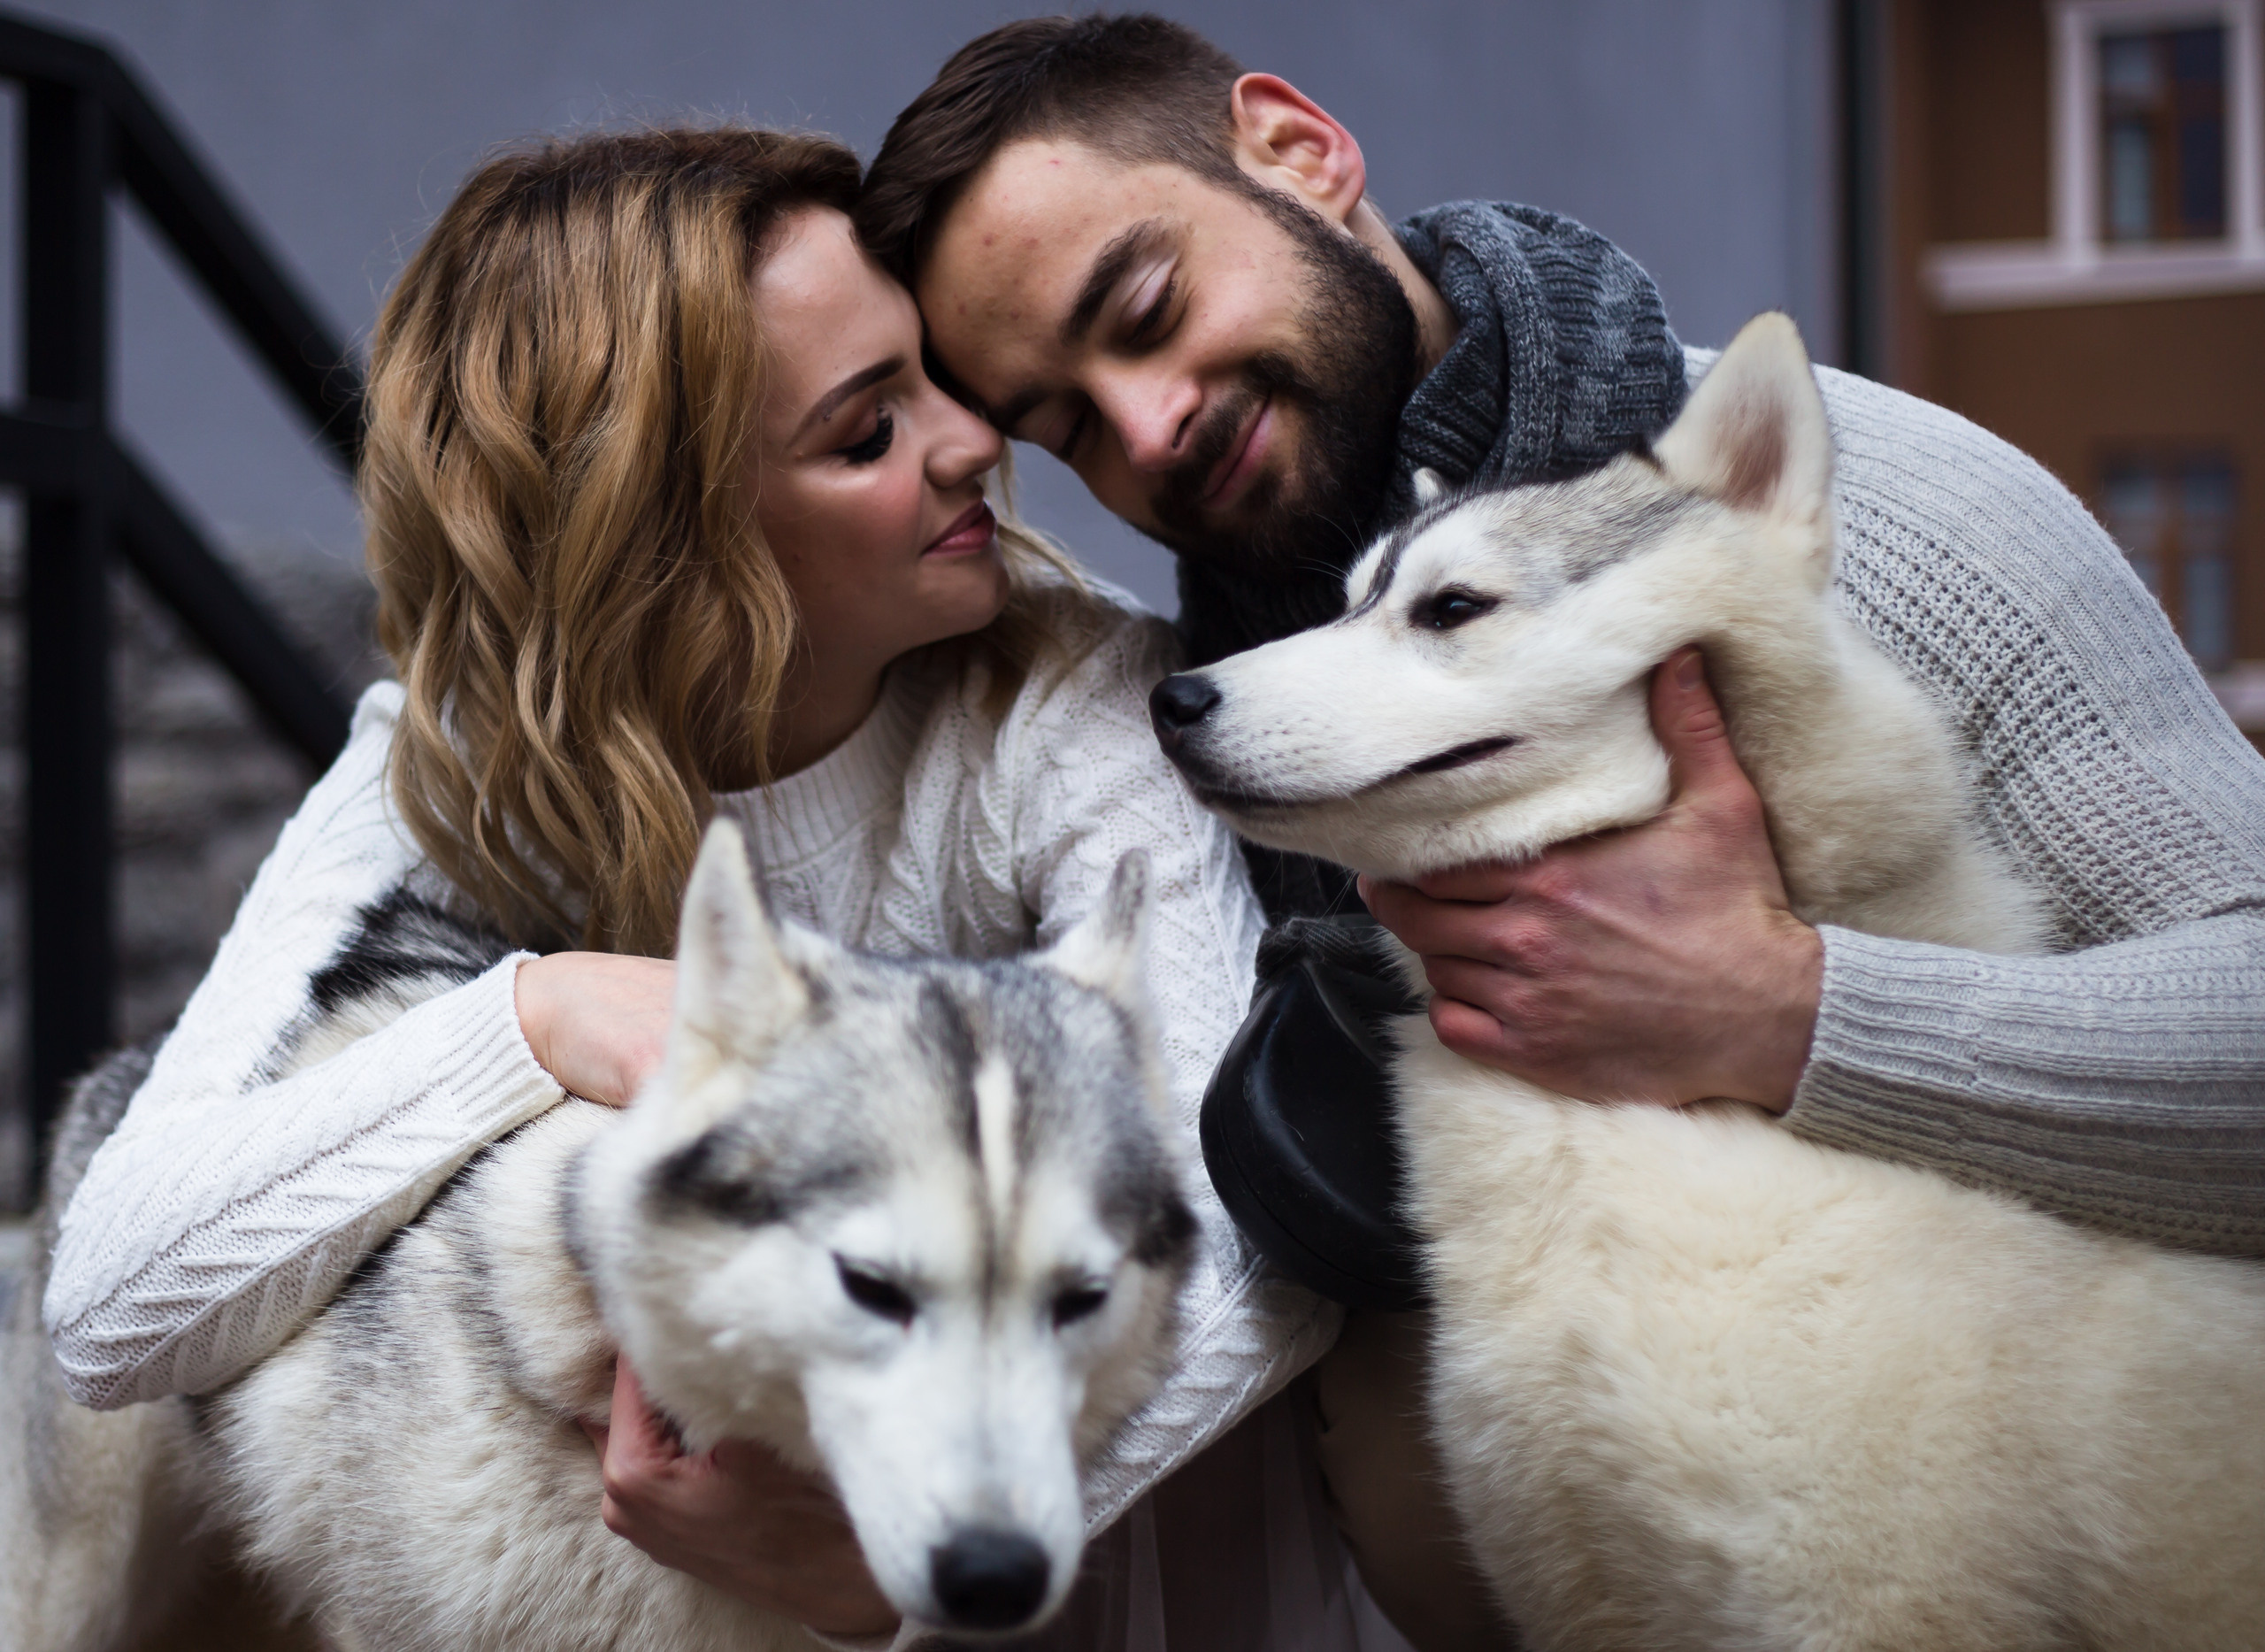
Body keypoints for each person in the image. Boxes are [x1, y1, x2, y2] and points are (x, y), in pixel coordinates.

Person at [852, 13, 2265, 1648]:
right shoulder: (1195, 706)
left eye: (1148, 311)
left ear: (1300, 151)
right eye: (1068, 426)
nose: (1147, 425)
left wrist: (1788, 1009)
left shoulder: (1893, 514)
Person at [42, 127, 1395, 1650]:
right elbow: (111, 1298)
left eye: (933, 376)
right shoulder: (449, 760)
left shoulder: (1073, 705)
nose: (974, 442)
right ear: (670, 531)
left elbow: (1250, 1229)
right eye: (866, 430)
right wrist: (535, 1016)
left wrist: (908, 1547)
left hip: (1080, 1521)